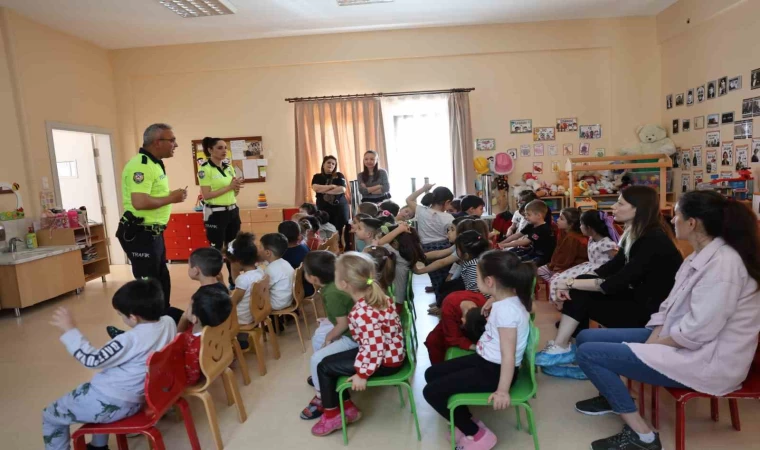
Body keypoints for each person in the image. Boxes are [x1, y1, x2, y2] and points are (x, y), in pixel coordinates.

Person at [574, 191, 760, 450]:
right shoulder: (698, 256)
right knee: (585, 337)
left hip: (708, 360)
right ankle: (612, 395)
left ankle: (644, 437)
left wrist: (653, 345)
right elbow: (668, 306)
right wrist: (654, 338)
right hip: (680, 340)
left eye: (676, 215)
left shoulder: (724, 265)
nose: (672, 221)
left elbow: (699, 331)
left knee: (589, 354)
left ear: (692, 223)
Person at [535, 186, 683, 372]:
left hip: (650, 314)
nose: (613, 207)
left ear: (638, 208)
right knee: (582, 283)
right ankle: (565, 347)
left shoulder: (653, 240)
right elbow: (610, 268)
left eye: (620, 203)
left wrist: (569, 283)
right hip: (637, 299)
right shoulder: (636, 234)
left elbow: (614, 283)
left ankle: (565, 348)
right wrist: (575, 281)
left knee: (580, 291)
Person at [43, 279, 176, 450]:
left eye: (121, 315)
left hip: (113, 402)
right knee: (101, 387)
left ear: (133, 317)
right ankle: (98, 447)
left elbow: (91, 360)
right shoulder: (169, 322)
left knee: (50, 416)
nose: (121, 318)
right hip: (138, 398)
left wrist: (70, 330)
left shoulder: (129, 339)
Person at [423, 251, 533, 450]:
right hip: (486, 360)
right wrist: (493, 299)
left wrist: (502, 391)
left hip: (495, 371)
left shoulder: (506, 312)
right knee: (431, 374)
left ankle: (477, 434)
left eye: (477, 275)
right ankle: (466, 420)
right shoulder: (511, 297)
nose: (476, 279)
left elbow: (508, 355)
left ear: (489, 281)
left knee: (430, 392)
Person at [311, 252, 405, 436]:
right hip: (389, 354)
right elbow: (374, 344)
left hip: (385, 361)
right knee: (328, 363)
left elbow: (375, 347)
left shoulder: (362, 312)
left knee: (324, 367)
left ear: (343, 284)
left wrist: (362, 373)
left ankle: (332, 416)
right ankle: (346, 408)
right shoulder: (377, 296)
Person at [117, 123, 186, 321]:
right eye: (172, 140)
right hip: (141, 233)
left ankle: (164, 320)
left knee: (161, 281)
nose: (175, 145)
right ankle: (149, 327)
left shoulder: (155, 163)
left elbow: (152, 195)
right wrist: (172, 198)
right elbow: (139, 202)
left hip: (154, 233)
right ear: (157, 142)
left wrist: (171, 195)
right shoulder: (141, 166)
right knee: (149, 288)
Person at [299, 251, 359, 420]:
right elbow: (344, 313)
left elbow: (343, 324)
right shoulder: (337, 282)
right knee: (318, 336)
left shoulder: (332, 293)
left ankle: (321, 397)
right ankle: (322, 376)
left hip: (354, 337)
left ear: (314, 278)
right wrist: (329, 323)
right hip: (354, 328)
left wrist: (329, 338)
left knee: (316, 358)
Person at [198, 137, 244, 288]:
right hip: (215, 214)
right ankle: (216, 285)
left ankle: (234, 282)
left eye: (225, 147)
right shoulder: (205, 169)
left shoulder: (228, 167)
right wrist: (229, 187)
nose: (224, 150)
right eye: (219, 148)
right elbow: (206, 195)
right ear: (210, 150)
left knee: (233, 249)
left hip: (232, 211)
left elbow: (234, 192)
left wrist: (236, 188)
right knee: (216, 251)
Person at [549, 210, 618, 305]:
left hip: (599, 270)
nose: (580, 227)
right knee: (557, 278)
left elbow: (617, 260)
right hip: (589, 266)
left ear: (589, 228)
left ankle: (563, 304)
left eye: (581, 224)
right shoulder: (591, 238)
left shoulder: (607, 243)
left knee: (563, 281)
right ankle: (561, 303)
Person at [406, 183, 455, 293]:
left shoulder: (421, 211)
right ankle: (443, 299)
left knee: (434, 276)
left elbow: (409, 199)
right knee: (446, 277)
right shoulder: (448, 217)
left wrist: (424, 188)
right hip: (444, 247)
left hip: (426, 248)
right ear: (447, 202)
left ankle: (439, 298)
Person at [179, 286, 233, 386]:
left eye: (189, 306)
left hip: (200, 374)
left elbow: (192, 378)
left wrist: (183, 318)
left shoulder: (192, 345)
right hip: (217, 362)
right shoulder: (218, 324)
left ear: (195, 318)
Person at [424, 290, 488, 364]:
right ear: (462, 321)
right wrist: (476, 347)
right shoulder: (449, 306)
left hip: (477, 329)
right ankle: (441, 368)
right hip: (449, 323)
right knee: (433, 340)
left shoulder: (483, 304)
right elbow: (453, 337)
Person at [536, 208, 588, 290]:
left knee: (554, 278)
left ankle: (560, 287)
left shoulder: (573, 238)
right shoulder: (563, 231)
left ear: (571, 224)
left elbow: (568, 259)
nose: (557, 220)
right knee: (540, 270)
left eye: (561, 219)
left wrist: (556, 269)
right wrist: (553, 265)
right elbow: (559, 251)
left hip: (573, 266)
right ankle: (557, 286)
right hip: (561, 264)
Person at [376, 222, 426, 306]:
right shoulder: (407, 257)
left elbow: (380, 243)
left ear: (395, 243)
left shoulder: (398, 255)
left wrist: (400, 229)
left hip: (395, 302)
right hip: (399, 300)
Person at [500, 200, 556, 266]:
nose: (526, 217)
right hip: (532, 252)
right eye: (526, 214)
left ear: (538, 215)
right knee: (510, 255)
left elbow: (525, 242)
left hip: (542, 256)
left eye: (528, 215)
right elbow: (517, 235)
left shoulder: (543, 229)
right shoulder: (531, 225)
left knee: (518, 263)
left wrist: (504, 245)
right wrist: (502, 243)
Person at [228, 232, 266, 327]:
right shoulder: (260, 272)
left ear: (238, 261)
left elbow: (232, 302)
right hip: (257, 312)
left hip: (243, 318)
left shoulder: (243, 279)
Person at [311, 156, 349, 242]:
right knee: (325, 231)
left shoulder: (339, 175)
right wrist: (332, 186)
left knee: (341, 231)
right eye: (328, 162)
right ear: (323, 164)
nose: (331, 165)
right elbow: (315, 188)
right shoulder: (317, 176)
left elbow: (342, 189)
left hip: (339, 208)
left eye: (333, 164)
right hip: (323, 209)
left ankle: (342, 247)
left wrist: (323, 190)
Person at [259, 233, 296, 311]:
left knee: (251, 299)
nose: (258, 250)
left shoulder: (270, 269)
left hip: (277, 304)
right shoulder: (284, 262)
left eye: (260, 247)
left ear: (267, 253)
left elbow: (262, 289)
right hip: (287, 300)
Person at [278, 220, 314, 297]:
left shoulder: (283, 255)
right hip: (310, 286)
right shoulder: (304, 247)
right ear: (299, 235)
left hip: (297, 291)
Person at [456, 230, 492, 294]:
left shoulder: (473, 267)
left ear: (466, 255)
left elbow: (473, 291)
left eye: (457, 248)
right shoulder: (477, 259)